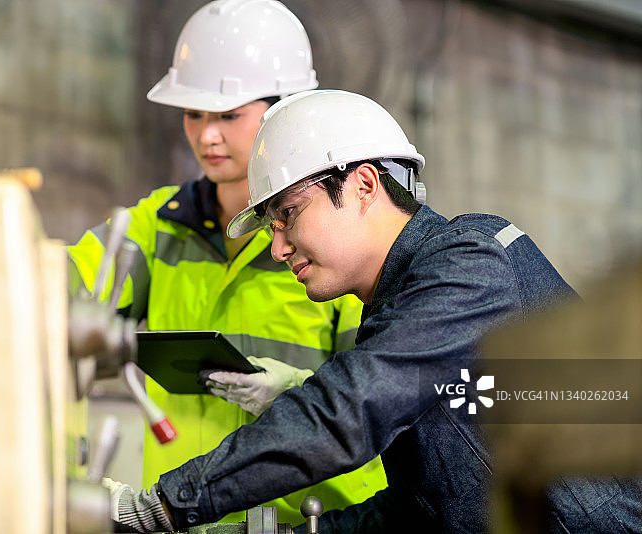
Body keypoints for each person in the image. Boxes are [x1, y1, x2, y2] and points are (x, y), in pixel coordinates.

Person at [106, 89, 642, 533]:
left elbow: (346, 412)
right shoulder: (396, 311)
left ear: (363, 186)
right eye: (271, 226)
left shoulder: (473, 262)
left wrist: (166, 505)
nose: (278, 248)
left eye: (288, 214)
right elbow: (425, 508)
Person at [67, 2, 387, 525]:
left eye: (228, 116)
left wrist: (296, 397)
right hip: (177, 517)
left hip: (304, 523)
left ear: (285, 110)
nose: (206, 136)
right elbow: (58, 288)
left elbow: (378, 410)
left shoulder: (337, 245)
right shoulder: (158, 226)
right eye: (194, 114)